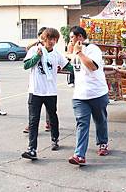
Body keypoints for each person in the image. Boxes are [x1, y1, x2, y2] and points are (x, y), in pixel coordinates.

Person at [21, 28, 73, 160]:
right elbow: (26, 66)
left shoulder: (57, 54)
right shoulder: (35, 50)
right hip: (35, 91)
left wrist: (83, 70)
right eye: (49, 39)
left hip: (50, 92)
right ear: (44, 39)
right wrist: (37, 56)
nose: (51, 42)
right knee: (34, 120)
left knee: (52, 117)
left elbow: (69, 67)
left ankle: (55, 139)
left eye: (54, 39)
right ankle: (32, 149)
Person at [68, 26, 109, 166]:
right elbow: (73, 67)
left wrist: (79, 53)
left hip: (97, 93)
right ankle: (79, 155)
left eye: (72, 37)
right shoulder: (74, 51)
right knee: (82, 123)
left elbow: (92, 67)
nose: (70, 40)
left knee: (100, 120)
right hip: (80, 95)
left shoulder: (93, 49)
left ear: (80, 37)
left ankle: (103, 143)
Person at [23, 27, 52, 134]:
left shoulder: (50, 48)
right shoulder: (35, 48)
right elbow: (26, 60)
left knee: (50, 107)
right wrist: (38, 42)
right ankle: (31, 125)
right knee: (33, 109)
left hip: (48, 84)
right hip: (36, 85)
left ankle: (50, 123)